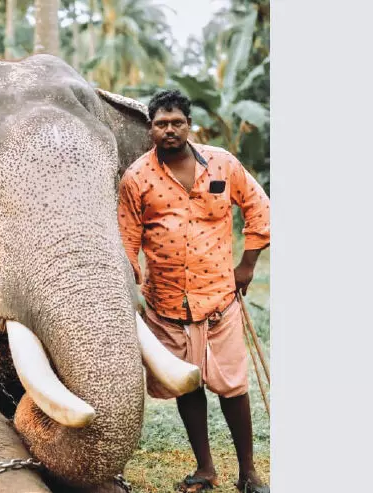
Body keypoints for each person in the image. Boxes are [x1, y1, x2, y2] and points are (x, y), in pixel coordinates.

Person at [117, 89, 270, 493]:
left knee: (234, 386)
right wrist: (128, 283)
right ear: (150, 129)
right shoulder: (136, 178)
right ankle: (205, 469)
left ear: (189, 125)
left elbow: (260, 210)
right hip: (167, 303)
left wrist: (247, 265)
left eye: (177, 123)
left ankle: (248, 472)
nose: (169, 130)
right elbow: (127, 239)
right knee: (187, 383)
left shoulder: (223, 163)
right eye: (161, 124)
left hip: (219, 299)